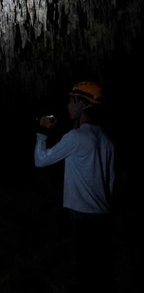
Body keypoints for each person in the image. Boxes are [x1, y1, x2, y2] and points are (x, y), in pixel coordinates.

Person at [34, 81, 117, 293]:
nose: (68, 106)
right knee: (101, 270)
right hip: (104, 216)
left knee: (85, 270)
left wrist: (41, 131)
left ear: (83, 105)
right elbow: (110, 182)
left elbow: (41, 160)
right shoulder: (107, 140)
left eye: (71, 101)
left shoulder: (76, 137)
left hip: (83, 216)